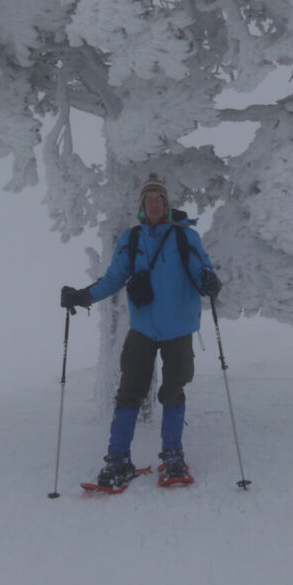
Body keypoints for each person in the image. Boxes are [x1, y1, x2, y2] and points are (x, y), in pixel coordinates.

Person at [61, 173, 221, 489]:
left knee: (173, 391)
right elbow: (113, 278)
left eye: (158, 199)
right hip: (143, 328)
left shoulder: (184, 237)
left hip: (178, 328)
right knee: (130, 391)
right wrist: (83, 296)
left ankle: (173, 457)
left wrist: (209, 280)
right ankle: (117, 460)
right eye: (148, 200)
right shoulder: (131, 239)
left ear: (166, 204)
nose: (153, 204)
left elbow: (203, 269)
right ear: (141, 206)